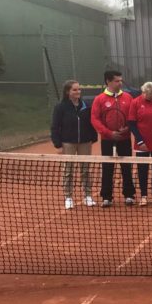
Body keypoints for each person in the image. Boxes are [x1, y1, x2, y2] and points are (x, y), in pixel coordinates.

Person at [90, 70, 136, 207]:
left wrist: (127, 128)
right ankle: (106, 197)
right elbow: (95, 119)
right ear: (108, 82)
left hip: (124, 139)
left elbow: (133, 116)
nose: (120, 83)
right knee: (107, 167)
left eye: (121, 80)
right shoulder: (99, 99)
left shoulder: (128, 97)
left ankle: (129, 195)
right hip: (107, 140)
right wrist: (109, 133)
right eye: (117, 80)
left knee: (126, 167)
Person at [51, 79, 98, 209]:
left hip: (85, 142)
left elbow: (91, 123)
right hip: (68, 143)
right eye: (75, 89)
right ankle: (68, 197)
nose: (78, 92)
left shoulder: (85, 105)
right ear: (68, 92)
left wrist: (92, 138)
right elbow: (55, 127)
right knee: (68, 170)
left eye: (79, 89)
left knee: (85, 170)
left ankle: (88, 196)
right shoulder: (60, 107)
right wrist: (58, 144)